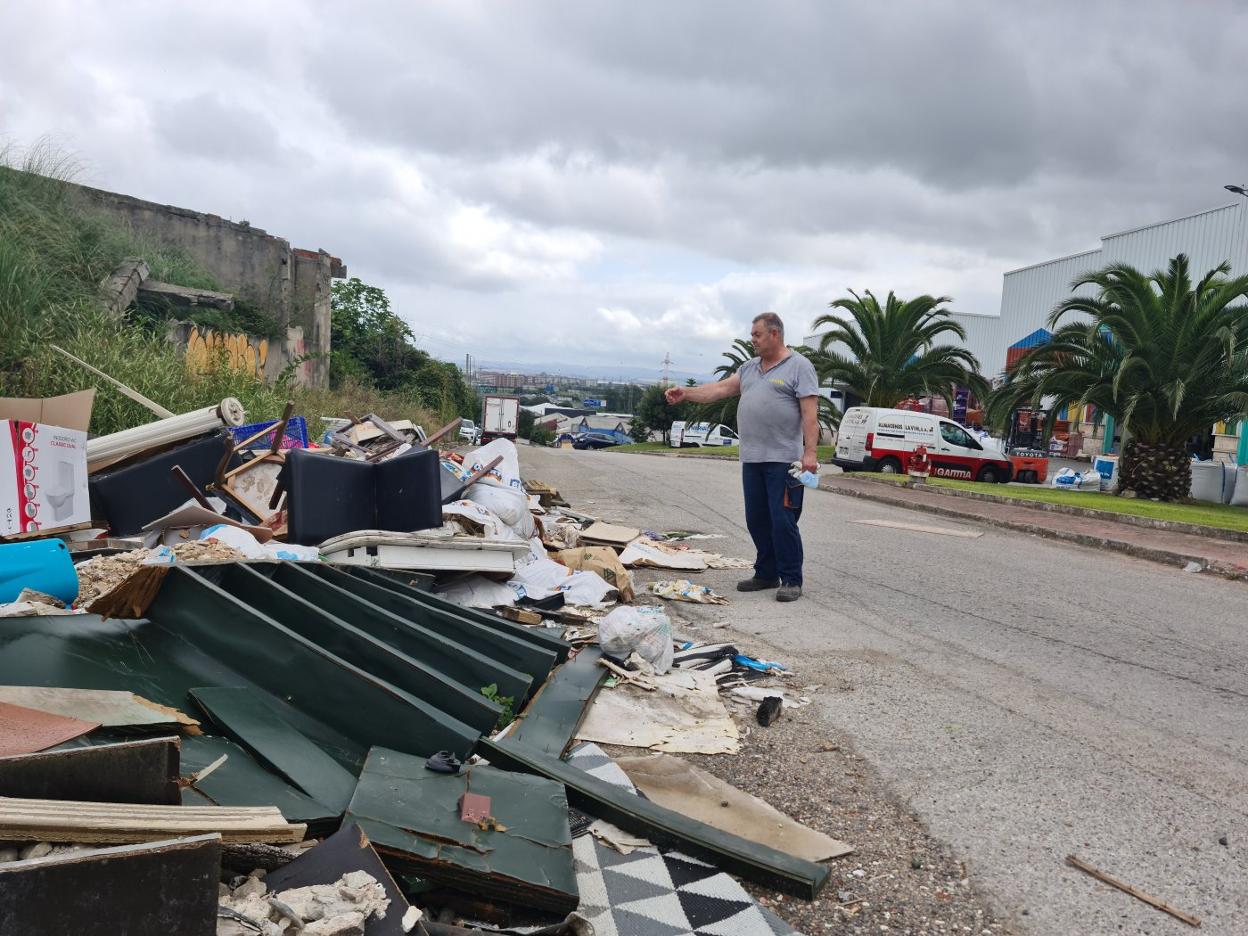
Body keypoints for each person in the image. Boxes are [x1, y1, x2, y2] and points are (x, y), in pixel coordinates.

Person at [665, 312, 820, 601]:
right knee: (757, 518)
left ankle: (791, 579)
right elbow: (720, 389)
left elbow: (810, 416)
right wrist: (686, 393)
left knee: (783, 519)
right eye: (752, 335)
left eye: (757, 335)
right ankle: (766, 573)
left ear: (774, 334)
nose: (752, 340)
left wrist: (810, 453)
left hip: (785, 460)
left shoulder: (800, 366)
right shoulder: (749, 368)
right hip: (752, 458)